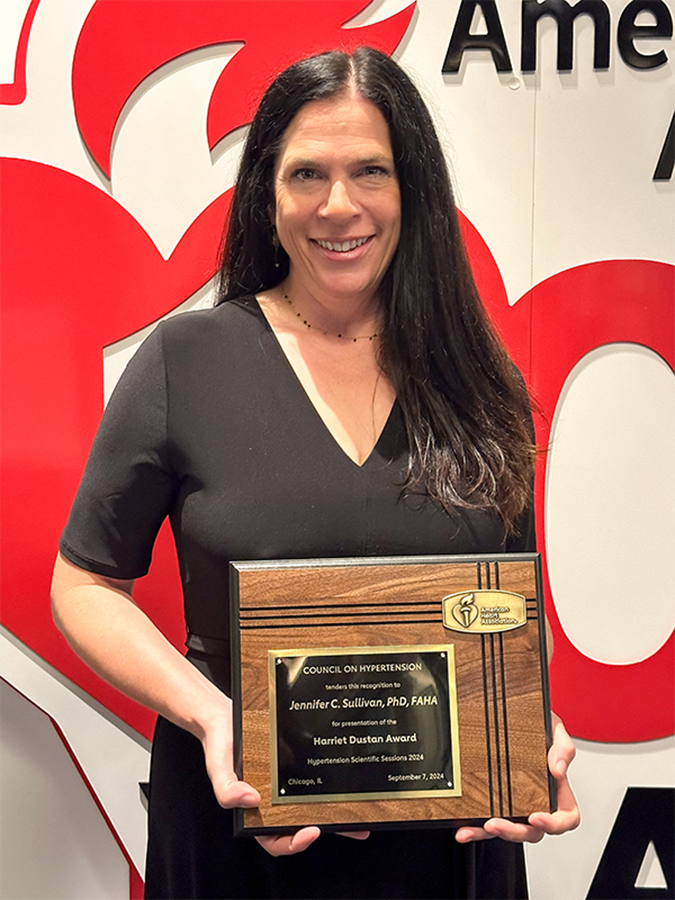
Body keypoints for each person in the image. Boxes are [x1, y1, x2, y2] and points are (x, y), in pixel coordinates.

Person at [52, 47, 579, 899]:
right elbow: (83, 584)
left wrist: (530, 723)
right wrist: (211, 715)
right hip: (242, 831)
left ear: (412, 188)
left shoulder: (483, 381)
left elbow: (512, 606)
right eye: (307, 174)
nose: (340, 205)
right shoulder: (188, 359)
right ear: (266, 192)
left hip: (446, 854)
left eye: (370, 170)